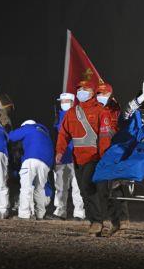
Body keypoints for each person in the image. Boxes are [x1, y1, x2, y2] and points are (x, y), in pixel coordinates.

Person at [93, 80, 144, 236]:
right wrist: (138, 101)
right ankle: (117, 220)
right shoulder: (134, 113)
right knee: (111, 167)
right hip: (127, 146)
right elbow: (125, 116)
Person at [56, 80, 113, 236]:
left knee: (89, 187)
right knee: (83, 191)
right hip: (78, 158)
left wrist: (103, 156)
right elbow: (63, 134)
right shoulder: (72, 112)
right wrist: (59, 151)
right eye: (79, 88)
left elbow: (104, 136)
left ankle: (97, 222)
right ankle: (95, 221)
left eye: (85, 88)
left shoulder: (101, 112)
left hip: (94, 157)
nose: (81, 91)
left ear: (92, 92)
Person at [46, 92, 86, 221]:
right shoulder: (58, 116)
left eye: (66, 101)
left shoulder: (78, 115)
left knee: (77, 187)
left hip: (75, 156)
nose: (63, 104)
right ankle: (60, 211)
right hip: (62, 157)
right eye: (62, 102)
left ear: (72, 102)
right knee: (60, 186)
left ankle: (79, 213)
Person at [9, 120, 54, 220]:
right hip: (46, 163)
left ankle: (24, 215)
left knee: (26, 187)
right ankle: (40, 215)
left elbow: (12, 136)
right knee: (40, 188)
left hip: (31, 159)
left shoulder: (28, 127)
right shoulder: (45, 133)